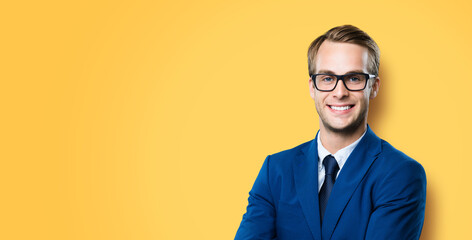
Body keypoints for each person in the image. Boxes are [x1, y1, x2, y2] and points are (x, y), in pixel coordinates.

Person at [234, 25, 427, 240]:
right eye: (327, 78)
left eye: (354, 78)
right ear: (312, 87)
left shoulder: (401, 174)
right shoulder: (276, 170)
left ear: (373, 87)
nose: (340, 92)